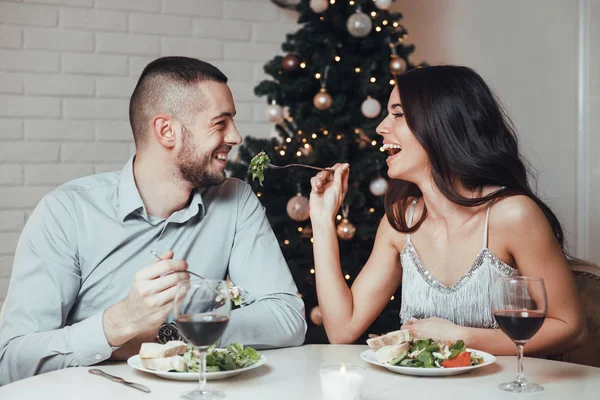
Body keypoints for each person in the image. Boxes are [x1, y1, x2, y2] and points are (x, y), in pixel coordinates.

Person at [0, 56, 306, 385]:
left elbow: (288, 317)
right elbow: (11, 359)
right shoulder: (66, 212)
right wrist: (116, 325)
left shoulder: (235, 200)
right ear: (166, 131)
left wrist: (170, 333)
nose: (236, 137)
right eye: (221, 123)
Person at [308, 65, 587, 355]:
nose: (381, 127)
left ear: (441, 124)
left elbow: (571, 327)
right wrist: (322, 219)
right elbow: (342, 330)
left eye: (398, 114)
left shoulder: (512, 215)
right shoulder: (402, 221)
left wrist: (463, 337)